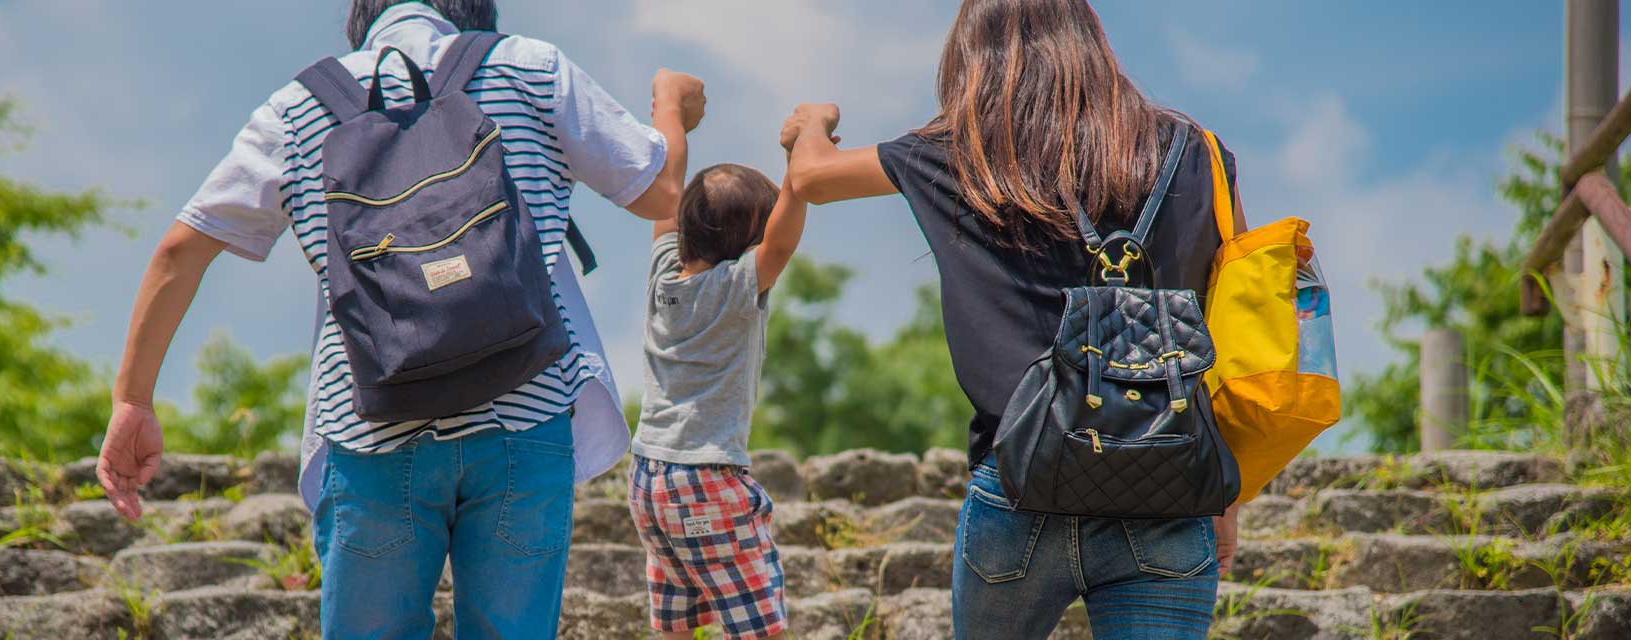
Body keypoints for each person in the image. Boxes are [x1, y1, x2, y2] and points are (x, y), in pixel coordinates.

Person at [92, 1, 706, 636]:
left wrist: (132, 400)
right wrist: (670, 103)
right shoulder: (529, 67)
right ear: (475, 15)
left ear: (360, 21)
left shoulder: (297, 108)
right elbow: (661, 191)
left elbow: (181, 249)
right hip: (524, 414)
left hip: (372, 432)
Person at [779, 1, 1244, 637]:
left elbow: (810, 177)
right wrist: (1229, 492)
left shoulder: (958, 153)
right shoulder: (1198, 152)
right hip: (1168, 483)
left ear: (970, 56)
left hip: (1023, 482)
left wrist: (815, 121)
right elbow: (1233, 326)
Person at [627, 163, 807, 640]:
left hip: (648, 477)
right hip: (706, 475)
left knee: (677, 618)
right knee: (757, 626)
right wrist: (799, 162)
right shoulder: (736, 287)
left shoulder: (663, 274)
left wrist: (669, 108)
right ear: (749, 244)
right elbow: (783, 242)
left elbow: (666, 194)